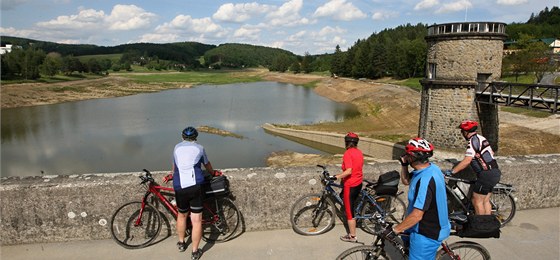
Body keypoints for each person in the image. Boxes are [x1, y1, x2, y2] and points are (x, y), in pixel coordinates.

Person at [389, 138, 450, 260]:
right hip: (420, 226)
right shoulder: (431, 169)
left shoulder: (425, 181)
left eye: (407, 155)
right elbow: (406, 181)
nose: (405, 156)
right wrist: (404, 165)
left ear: (412, 157)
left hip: (427, 232)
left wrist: (395, 230)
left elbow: (417, 215)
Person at [163, 126, 213, 260]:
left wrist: (171, 175)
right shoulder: (200, 148)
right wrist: (213, 173)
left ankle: (181, 242)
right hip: (195, 185)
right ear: (196, 137)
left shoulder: (176, 148)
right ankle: (195, 251)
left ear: (182, 137)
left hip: (180, 186)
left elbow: (175, 167)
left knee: (182, 215)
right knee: (196, 220)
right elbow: (207, 165)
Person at [445, 120, 501, 215]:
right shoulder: (481, 138)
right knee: (485, 201)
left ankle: (481, 225)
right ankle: (488, 223)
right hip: (495, 172)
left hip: (485, 175)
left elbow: (467, 161)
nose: (462, 133)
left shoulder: (472, 142)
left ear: (466, 132)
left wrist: (452, 172)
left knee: (477, 201)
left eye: (462, 131)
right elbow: (491, 153)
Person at [332, 132, 364, 243]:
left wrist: (336, 177)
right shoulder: (359, 152)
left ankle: (352, 236)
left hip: (350, 184)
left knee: (349, 211)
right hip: (358, 183)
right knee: (351, 204)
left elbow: (349, 171)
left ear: (346, 142)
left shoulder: (348, 153)